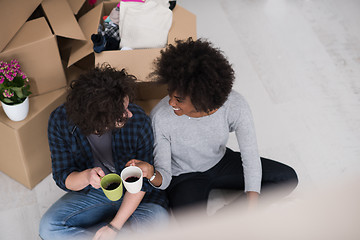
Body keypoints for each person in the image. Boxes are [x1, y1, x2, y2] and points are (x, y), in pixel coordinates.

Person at [126, 38, 298, 216]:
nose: (170, 102)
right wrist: (152, 174)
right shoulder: (161, 117)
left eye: (179, 99)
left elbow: (250, 157)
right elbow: (165, 177)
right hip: (184, 177)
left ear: (202, 99)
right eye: (170, 93)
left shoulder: (235, 106)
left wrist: (250, 205)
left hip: (221, 162)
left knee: (287, 178)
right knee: (193, 228)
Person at [39, 64, 169, 240]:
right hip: (97, 193)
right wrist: (86, 177)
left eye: (127, 105)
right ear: (100, 122)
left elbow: (143, 184)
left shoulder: (138, 121)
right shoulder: (60, 121)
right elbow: (63, 176)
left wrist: (114, 227)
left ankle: (103, 231)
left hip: (137, 198)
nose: (129, 114)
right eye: (122, 112)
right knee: (48, 227)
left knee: (160, 220)